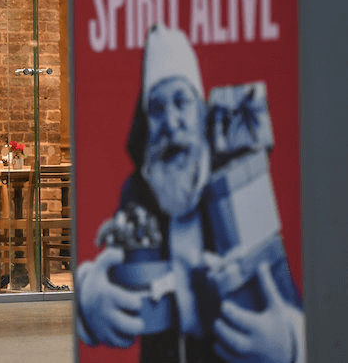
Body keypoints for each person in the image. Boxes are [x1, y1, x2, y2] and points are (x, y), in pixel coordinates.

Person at [76, 24, 305, 362]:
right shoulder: (137, 192)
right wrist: (88, 296)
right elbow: (108, 268)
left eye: (181, 102)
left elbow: (281, 285)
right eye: (156, 108)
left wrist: (291, 343)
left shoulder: (240, 187)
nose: (170, 121)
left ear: (200, 111)